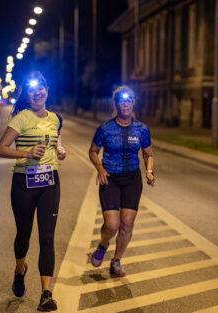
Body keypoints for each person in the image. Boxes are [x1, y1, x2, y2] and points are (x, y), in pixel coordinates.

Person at [0, 71, 66, 312]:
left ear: (47, 90)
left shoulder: (56, 118)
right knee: (23, 235)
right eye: (33, 90)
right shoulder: (21, 119)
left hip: (49, 182)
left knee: (47, 237)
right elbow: (1, 149)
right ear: (27, 94)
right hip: (23, 182)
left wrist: (60, 151)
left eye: (42, 88)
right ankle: (19, 269)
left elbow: (56, 142)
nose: (38, 92)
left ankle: (46, 294)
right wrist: (26, 153)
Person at [89, 85, 156, 277]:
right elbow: (93, 151)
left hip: (132, 179)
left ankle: (116, 260)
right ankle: (103, 245)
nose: (125, 104)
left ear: (133, 103)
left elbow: (148, 153)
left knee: (127, 224)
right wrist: (100, 168)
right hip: (110, 178)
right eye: (121, 101)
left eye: (128, 101)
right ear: (116, 103)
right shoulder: (105, 129)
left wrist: (149, 171)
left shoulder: (142, 129)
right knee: (112, 225)